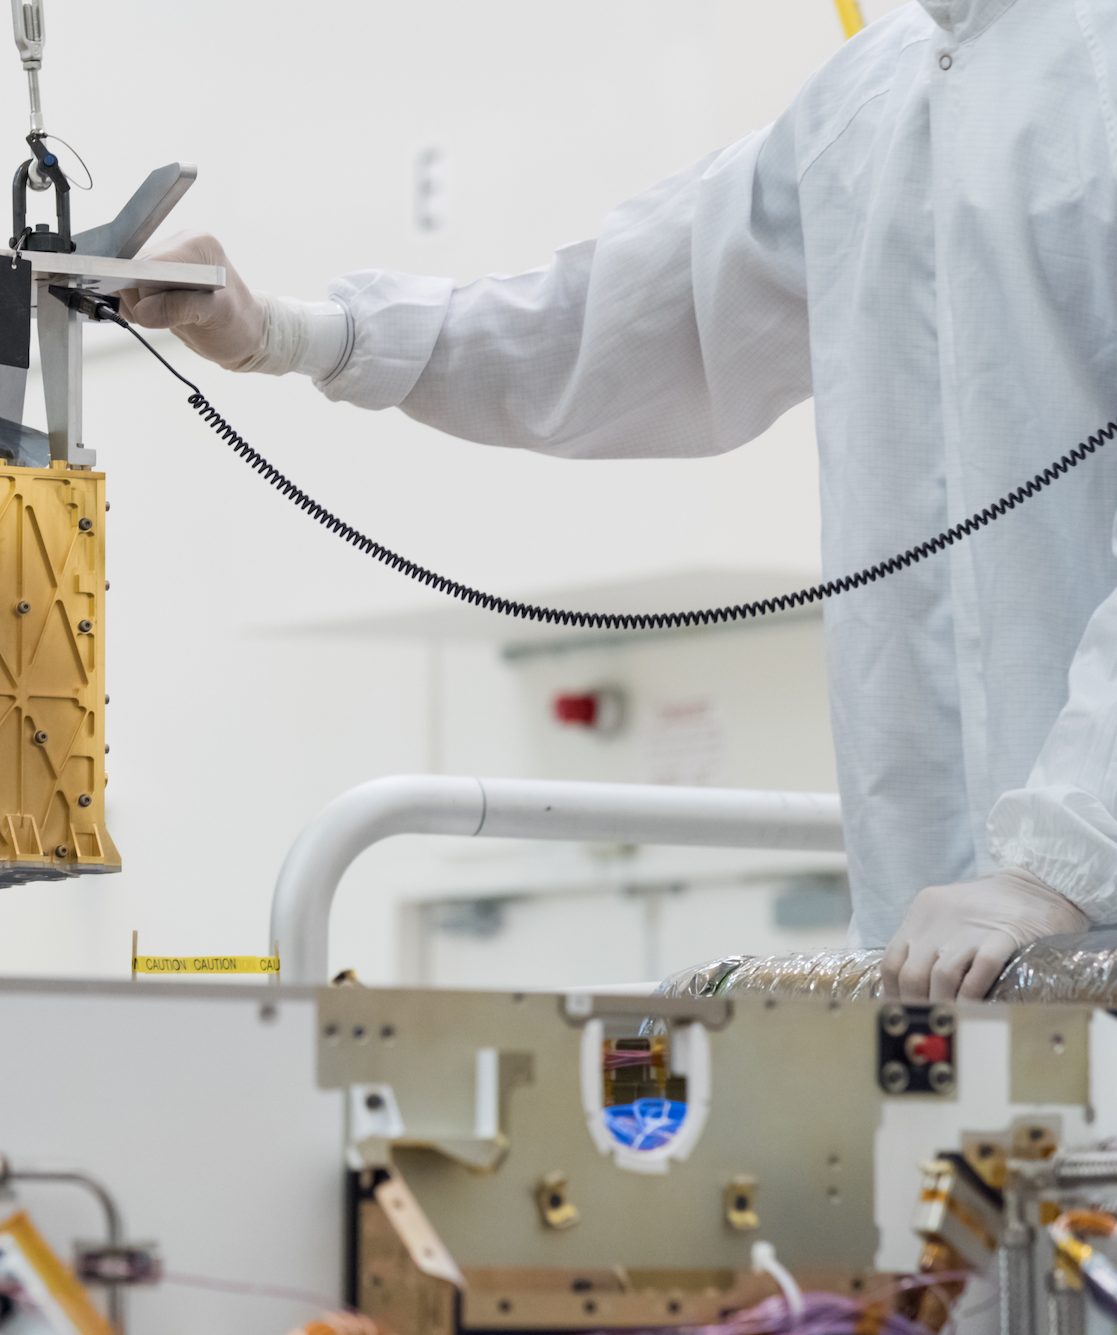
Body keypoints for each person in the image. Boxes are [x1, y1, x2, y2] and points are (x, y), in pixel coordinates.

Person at [124, 0, 1117, 1003]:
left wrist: (1056, 864)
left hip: (1077, 930)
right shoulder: (869, 101)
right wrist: (290, 334)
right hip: (933, 959)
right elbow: (615, 320)